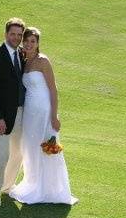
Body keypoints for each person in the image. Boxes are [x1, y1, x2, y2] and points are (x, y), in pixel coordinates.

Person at [8, 27, 78, 205]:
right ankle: (32, 183)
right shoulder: (25, 60)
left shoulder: (43, 61)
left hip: (44, 110)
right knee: (30, 146)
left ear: (38, 43)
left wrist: (54, 116)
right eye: (27, 41)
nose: (29, 44)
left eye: (33, 41)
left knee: (46, 147)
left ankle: (48, 190)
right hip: (30, 112)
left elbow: (53, 90)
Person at [0, 18, 27, 205]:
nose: (16, 38)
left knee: (18, 154)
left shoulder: (22, 55)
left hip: (22, 114)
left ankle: (7, 188)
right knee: (1, 155)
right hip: (2, 117)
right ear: (6, 34)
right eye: (12, 34)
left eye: (19, 35)